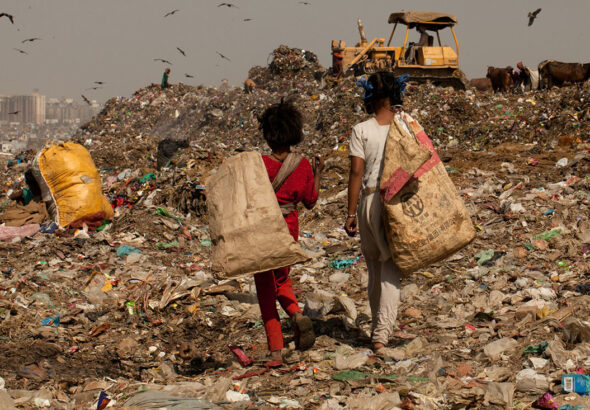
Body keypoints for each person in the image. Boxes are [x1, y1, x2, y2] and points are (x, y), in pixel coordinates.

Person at [345, 71, 413, 356]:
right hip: (394, 202)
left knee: (373, 266)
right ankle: (382, 334)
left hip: (368, 202)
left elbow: (356, 172)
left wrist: (350, 214)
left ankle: (377, 328)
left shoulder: (361, 130)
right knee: (390, 268)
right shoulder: (406, 127)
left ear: (370, 97)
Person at [255, 100, 324, 366]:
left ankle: (275, 351)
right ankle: (296, 315)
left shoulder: (259, 164)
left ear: (269, 134)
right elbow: (310, 200)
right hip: (289, 227)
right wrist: (317, 174)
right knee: (282, 279)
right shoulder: (303, 164)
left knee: (264, 287)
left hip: (264, 229)